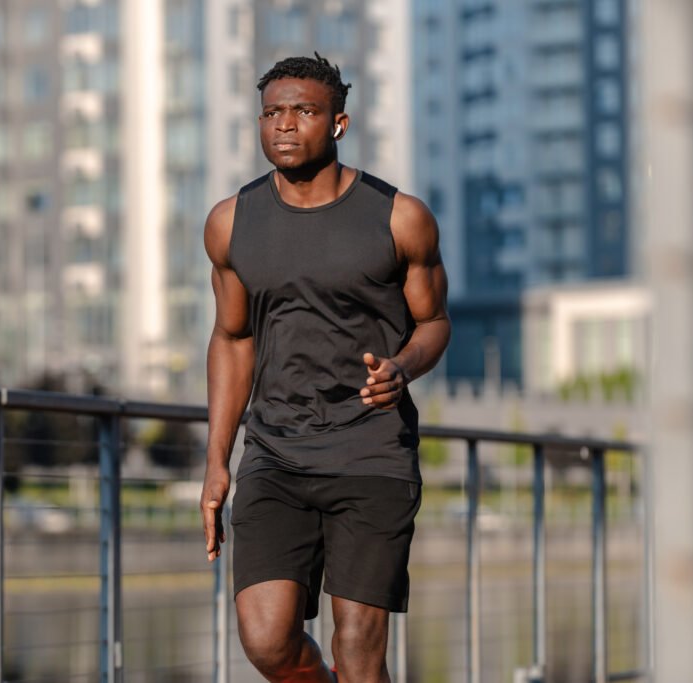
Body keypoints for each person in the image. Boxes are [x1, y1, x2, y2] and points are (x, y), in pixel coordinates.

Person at [200, 53, 451, 683]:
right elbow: (232, 338)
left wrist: (403, 366)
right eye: (271, 113)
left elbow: (435, 322)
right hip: (274, 454)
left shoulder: (400, 217)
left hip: (371, 453)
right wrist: (216, 461)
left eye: (303, 111)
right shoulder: (231, 222)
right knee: (267, 642)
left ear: (338, 123)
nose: (284, 125)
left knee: (359, 647)